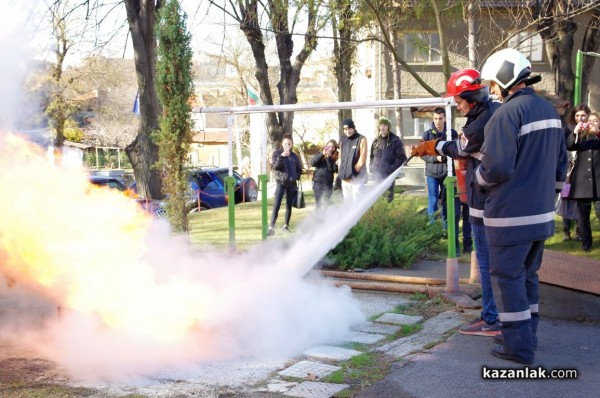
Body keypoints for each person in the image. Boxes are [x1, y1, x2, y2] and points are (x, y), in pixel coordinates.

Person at [477, 48, 567, 364]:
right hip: (541, 216)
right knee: (528, 277)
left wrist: (478, 177)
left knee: (507, 278)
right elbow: (561, 166)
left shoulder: (507, 114)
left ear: (505, 77)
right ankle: (528, 336)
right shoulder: (549, 112)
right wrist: (549, 199)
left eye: (491, 83)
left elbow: (496, 168)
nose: (490, 90)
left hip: (510, 217)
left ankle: (517, 348)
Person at [411, 68, 501, 336]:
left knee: (485, 262)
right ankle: (497, 316)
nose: (458, 107)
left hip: (483, 202)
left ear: (471, 97)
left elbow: (461, 148)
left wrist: (432, 146)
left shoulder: (479, 123)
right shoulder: (490, 113)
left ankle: (491, 318)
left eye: (459, 101)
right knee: (492, 262)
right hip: (490, 200)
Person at [565, 104, 600, 251]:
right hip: (582, 183)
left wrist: (598, 132)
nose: (591, 123)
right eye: (589, 121)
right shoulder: (580, 136)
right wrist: (576, 133)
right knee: (583, 216)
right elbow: (569, 146)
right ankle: (586, 244)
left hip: (598, 182)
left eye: (595, 121)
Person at [420, 108, 458, 228]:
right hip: (432, 173)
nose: (438, 121)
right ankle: (432, 229)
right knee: (433, 201)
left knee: (446, 202)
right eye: (436, 118)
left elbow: (457, 151)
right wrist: (435, 158)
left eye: (440, 118)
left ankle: (446, 228)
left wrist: (447, 157)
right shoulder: (427, 134)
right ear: (433, 119)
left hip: (448, 173)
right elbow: (422, 154)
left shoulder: (452, 133)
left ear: (445, 118)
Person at [268, 134, 303, 236]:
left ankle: (286, 225)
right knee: (277, 205)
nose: (287, 145)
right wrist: (282, 156)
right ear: (282, 144)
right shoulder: (277, 153)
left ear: (292, 145)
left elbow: (299, 169)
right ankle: (271, 227)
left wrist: (296, 176)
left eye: (289, 144)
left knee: (289, 205)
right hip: (281, 183)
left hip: (291, 184)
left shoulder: (294, 156)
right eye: (285, 143)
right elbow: (275, 166)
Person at [369, 117, 407, 202]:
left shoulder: (395, 140)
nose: (382, 127)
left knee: (387, 200)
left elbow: (402, 158)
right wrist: (371, 168)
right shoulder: (376, 141)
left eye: (385, 125)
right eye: (381, 125)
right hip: (376, 176)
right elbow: (371, 156)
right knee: (377, 200)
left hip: (388, 176)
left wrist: (391, 169)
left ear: (388, 127)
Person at [338, 118, 368, 201]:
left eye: (349, 129)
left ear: (353, 128)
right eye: (345, 129)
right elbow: (340, 156)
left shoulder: (361, 139)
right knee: (347, 202)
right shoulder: (342, 140)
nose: (347, 131)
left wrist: (355, 169)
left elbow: (363, 157)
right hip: (345, 178)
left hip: (357, 177)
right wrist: (340, 169)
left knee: (358, 202)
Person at [311, 139, 338, 209]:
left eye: (333, 147)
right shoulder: (320, 153)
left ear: (335, 148)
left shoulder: (336, 156)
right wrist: (322, 154)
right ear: (326, 146)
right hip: (318, 182)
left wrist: (328, 158)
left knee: (328, 203)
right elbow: (313, 163)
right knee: (318, 204)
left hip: (328, 183)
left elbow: (333, 169)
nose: (331, 148)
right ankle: (318, 219)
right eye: (329, 146)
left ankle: (327, 218)